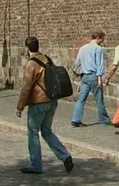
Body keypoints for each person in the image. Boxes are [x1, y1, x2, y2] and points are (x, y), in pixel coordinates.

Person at [15, 36, 74, 175]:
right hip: (52, 100)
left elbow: (26, 87)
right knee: (47, 131)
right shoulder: (47, 59)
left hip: (38, 102)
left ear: (27, 48)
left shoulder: (31, 64)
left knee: (33, 132)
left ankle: (35, 165)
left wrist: (20, 107)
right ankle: (65, 156)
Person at [70, 30, 108, 127]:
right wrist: (100, 78)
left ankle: (75, 119)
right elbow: (99, 65)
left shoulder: (82, 48)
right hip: (94, 76)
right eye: (102, 39)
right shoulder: (98, 49)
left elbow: (77, 63)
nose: (103, 41)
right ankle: (104, 119)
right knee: (99, 99)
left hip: (85, 76)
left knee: (81, 99)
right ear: (98, 38)